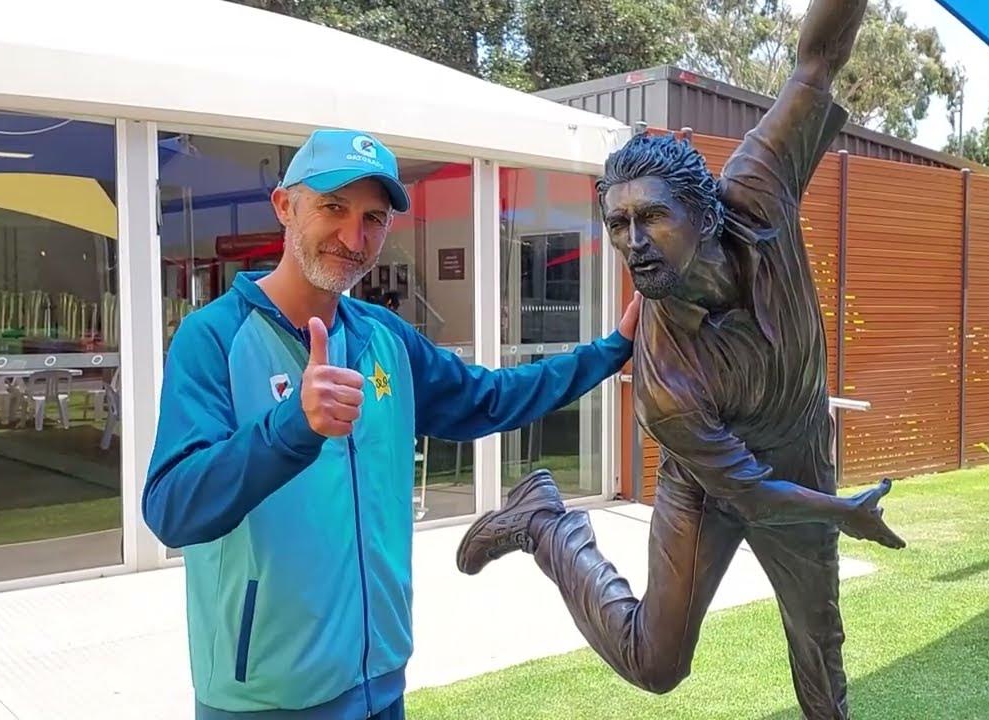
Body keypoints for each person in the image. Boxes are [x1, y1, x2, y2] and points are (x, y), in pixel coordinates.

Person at [456, 2, 902, 718]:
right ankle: (546, 523)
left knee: (819, 643)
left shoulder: (757, 188)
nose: (632, 240)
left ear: (704, 212)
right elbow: (751, 495)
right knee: (656, 664)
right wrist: (842, 514)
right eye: (618, 223)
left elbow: (818, 58)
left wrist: (824, 500)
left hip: (799, 458)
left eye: (652, 217)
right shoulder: (664, 383)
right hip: (710, 482)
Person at [143, 128, 641, 719]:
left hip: (382, 683)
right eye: (334, 207)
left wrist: (611, 350)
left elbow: (489, 398)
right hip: (264, 699)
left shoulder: (384, 338)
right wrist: (290, 427)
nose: (354, 237)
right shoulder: (212, 339)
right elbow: (172, 510)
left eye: (373, 218)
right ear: (284, 206)